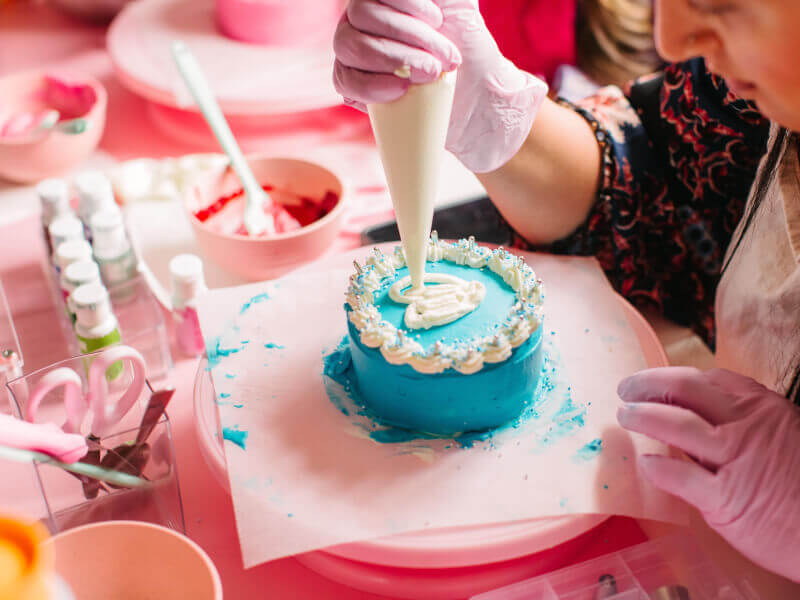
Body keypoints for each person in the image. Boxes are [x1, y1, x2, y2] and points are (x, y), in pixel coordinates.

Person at [332, 0, 800, 582]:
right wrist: (494, 116)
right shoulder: (740, 86)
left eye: (722, 2)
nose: (673, 39)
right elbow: (658, 184)